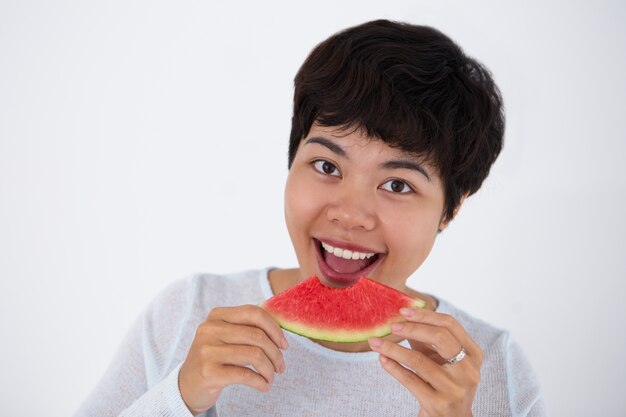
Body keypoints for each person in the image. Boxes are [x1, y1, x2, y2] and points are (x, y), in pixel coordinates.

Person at [74, 19, 547, 417]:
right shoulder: (188, 313)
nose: (349, 213)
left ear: (451, 208)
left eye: (398, 185)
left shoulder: (491, 368)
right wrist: (180, 395)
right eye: (327, 166)